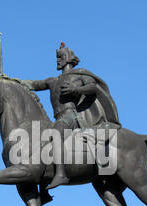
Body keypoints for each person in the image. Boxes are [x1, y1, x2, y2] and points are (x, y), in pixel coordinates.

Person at [23, 43, 120, 190]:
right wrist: (11, 80)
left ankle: (61, 174)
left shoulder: (79, 74)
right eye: (57, 58)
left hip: (71, 115)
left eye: (60, 57)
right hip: (58, 117)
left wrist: (76, 90)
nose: (57, 60)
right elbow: (32, 84)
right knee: (40, 141)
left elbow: (93, 87)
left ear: (69, 58)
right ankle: (43, 188)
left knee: (56, 133)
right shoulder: (52, 81)